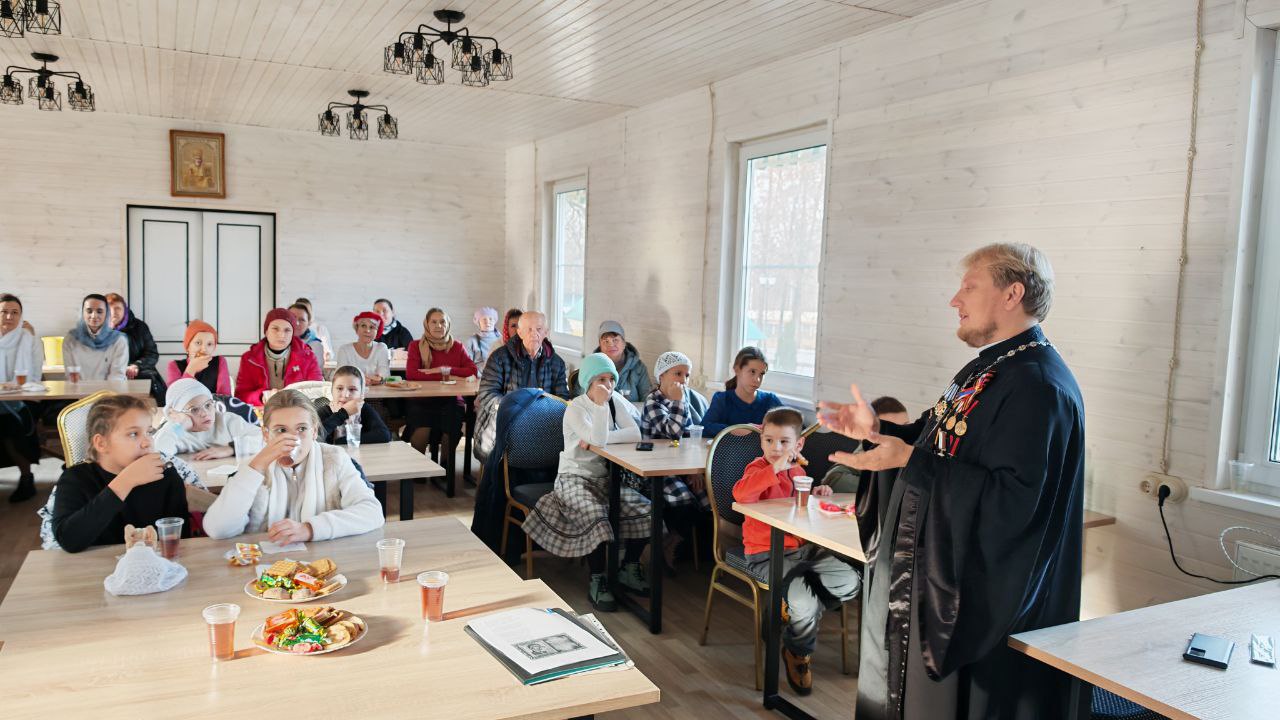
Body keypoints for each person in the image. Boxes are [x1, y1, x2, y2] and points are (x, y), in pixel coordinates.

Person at [819, 243, 1086, 719]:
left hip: (971, 600)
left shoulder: (1039, 386)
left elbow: (1015, 503)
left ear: (1012, 294)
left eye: (968, 286)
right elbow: (933, 441)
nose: (954, 300)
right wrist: (881, 433)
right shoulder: (988, 367)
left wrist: (911, 460)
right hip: (931, 576)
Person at [735, 406, 858, 695]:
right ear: (761, 440)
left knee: (850, 581)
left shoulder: (798, 471)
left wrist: (816, 494)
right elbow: (741, 494)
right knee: (804, 601)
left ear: (798, 445)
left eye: (783, 442)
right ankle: (797, 651)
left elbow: (798, 509)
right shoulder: (757, 469)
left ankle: (783, 611)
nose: (775, 448)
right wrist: (773, 469)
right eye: (768, 441)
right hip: (765, 555)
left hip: (802, 553)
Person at [520, 353, 650, 612]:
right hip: (573, 479)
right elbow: (600, 439)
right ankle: (598, 579)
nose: (608, 386)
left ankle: (628, 567)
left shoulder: (616, 401)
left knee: (649, 511)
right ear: (589, 382)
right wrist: (601, 415)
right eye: (601, 379)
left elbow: (634, 433)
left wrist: (598, 437)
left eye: (611, 379)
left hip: (604, 481)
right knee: (597, 517)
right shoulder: (576, 409)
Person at [202, 389, 384, 541]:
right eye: (281, 430)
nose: (292, 439)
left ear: (314, 432)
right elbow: (218, 528)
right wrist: (256, 467)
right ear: (266, 435)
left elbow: (372, 512)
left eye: (302, 429)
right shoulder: (254, 466)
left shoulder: (334, 458)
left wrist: (310, 529)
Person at [50, 395, 192, 553]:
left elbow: (181, 540)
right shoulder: (77, 478)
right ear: (101, 443)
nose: (147, 443)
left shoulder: (165, 475)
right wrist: (126, 481)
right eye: (133, 434)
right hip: (95, 571)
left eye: (149, 432)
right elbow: (69, 540)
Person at [640, 350, 710, 563]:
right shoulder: (653, 401)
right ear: (662, 376)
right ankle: (667, 542)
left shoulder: (683, 400)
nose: (683, 380)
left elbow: (688, 436)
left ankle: (673, 541)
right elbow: (672, 432)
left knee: (707, 501)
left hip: (678, 466)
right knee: (684, 499)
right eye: (677, 374)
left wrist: (692, 471)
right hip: (655, 469)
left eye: (686, 375)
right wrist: (680, 402)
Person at [475, 311, 569, 461]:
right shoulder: (499, 357)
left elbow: (562, 399)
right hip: (505, 420)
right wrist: (512, 409)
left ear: (546, 332)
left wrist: (540, 413)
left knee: (559, 451)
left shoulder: (556, 362)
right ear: (519, 332)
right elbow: (487, 394)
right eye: (528, 329)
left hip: (544, 422)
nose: (534, 334)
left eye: (539, 329)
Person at [404, 308, 477, 454]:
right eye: (434, 322)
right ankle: (421, 472)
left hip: (451, 399)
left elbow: (473, 371)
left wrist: (445, 370)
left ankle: (446, 470)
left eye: (442, 322)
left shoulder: (457, 346)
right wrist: (449, 377)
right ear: (427, 324)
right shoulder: (416, 345)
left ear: (448, 324)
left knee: (451, 430)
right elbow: (411, 374)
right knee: (421, 430)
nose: (438, 326)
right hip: (422, 399)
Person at [235, 308, 323, 406]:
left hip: (297, 411)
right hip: (262, 413)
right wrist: (262, 396)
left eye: (287, 330)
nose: (281, 335)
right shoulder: (249, 359)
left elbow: (318, 391)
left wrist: (293, 396)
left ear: (292, 334)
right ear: (266, 331)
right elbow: (240, 395)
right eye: (275, 329)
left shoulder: (308, 357)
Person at [153, 378, 260, 459]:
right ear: (174, 414)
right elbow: (158, 454)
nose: (205, 413)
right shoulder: (177, 431)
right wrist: (180, 425)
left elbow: (265, 440)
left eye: (208, 405)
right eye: (194, 410)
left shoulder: (227, 421)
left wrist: (231, 448)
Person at [820, 396, 908, 494]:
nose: (900, 435)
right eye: (890, 429)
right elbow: (834, 478)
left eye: (905, 427)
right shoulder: (869, 448)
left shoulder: (917, 446)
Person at [0, 293, 41, 502]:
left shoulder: (29, 339)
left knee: (10, 425)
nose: (9, 316)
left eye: (14, 312)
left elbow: (33, 377)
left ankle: (26, 477)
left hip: (22, 400)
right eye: (4, 312)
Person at [701, 346, 784, 436]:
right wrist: (736, 430)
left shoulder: (770, 401)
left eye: (762, 374)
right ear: (737, 370)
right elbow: (704, 427)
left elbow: (795, 427)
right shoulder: (722, 399)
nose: (757, 380)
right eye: (752, 371)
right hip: (728, 450)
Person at [105, 293, 165, 402]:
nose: (113, 312)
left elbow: (152, 354)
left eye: (117, 308)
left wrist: (136, 366)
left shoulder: (140, 327)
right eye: (109, 309)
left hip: (138, 377)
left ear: (125, 309)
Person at [572, 321, 652, 402]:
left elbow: (647, 400)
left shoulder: (639, 368)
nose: (611, 345)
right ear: (600, 346)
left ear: (624, 344)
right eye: (606, 341)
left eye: (615, 340)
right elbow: (580, 400)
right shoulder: (589, 366)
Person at [316, 366, 391, 446]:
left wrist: (340, 442)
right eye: (340, 388)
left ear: (361, 394)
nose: (345, 395)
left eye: (352, 389)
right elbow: (315, 437)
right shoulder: (324, 411)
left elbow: (384, 435)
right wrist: (343, 414)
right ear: (332, 391)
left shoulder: (363, 408)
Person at [62, 294, 129, 382]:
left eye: (99, 311)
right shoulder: (71, 339)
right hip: (78, 393)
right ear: (82, 312)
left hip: (109, 393)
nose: (94, 316)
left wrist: (103, 395)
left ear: (107, 314)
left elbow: (117, 376)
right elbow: (70, 375)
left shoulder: (119, 340)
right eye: (89, 311)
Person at [164, 320, 232, 395]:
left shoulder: (220, 362)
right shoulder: (174, 365)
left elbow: (225, 397)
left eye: (209, 344)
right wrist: (191, 370)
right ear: (188, 346)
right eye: (198, 343)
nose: (204, 349)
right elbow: (174, 398)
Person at [334, 312, 390, 385]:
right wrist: (367, 379)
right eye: (363, 326)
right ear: (357, 329)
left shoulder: (381, 348)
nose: (367, 330)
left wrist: (356, 378)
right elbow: (340, 376)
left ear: (377, 331)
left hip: (379, 394)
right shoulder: (344, 350)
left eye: (372, 327)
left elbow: (384, 376)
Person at [293, 297, 332, 362]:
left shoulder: (320, 329)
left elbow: (329, 353)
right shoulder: (288, 334)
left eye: (306, 310)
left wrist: (326, 355)